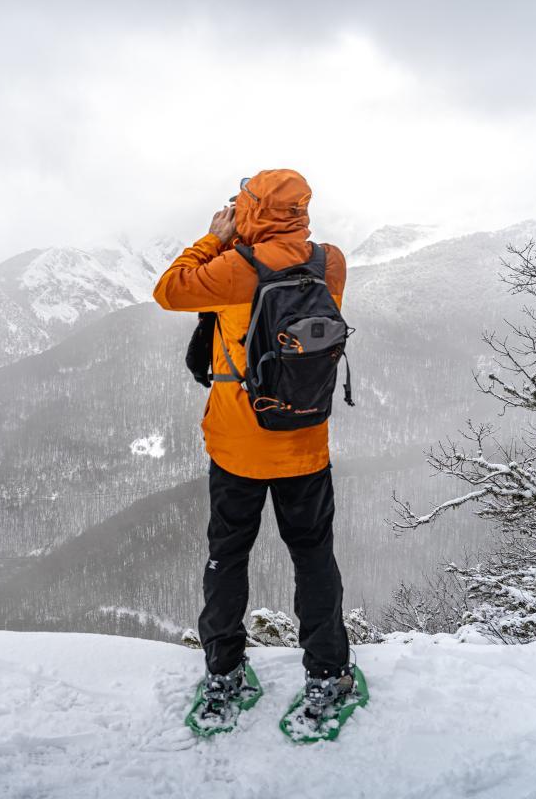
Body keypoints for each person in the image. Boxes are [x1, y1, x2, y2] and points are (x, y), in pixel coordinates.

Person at [152, 168, 353, 727]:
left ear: (251, 210)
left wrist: (216, 236)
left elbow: (169, 289)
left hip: (237, 448)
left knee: (228, 557)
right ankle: (327, 673)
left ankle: (224, 671)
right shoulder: (330, 262)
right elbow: (282, 267)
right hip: (305, 443)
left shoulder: (233, 268)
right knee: (314, 558)